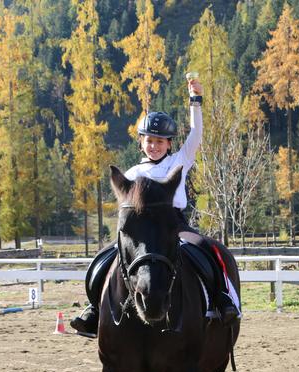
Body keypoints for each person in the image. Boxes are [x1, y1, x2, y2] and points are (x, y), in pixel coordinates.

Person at [70, 77, 240, 337]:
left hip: (174, 225)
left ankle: (222, 298)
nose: (154, 146)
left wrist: (195, 101)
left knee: (208, 249)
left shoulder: (179, 160)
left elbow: (196, 135)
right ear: (141, 142)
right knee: (102, 260)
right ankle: (94, 309)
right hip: (140, 231)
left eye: (160, 142)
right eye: (149, 141)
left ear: (169, 144)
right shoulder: (132, 173)